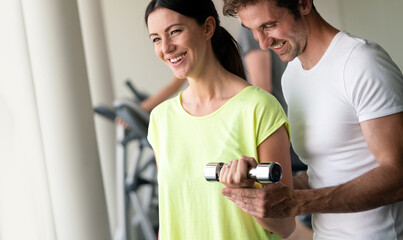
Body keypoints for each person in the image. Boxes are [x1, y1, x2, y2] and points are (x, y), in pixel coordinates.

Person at [220, 0, 403, 239]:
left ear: (304, 3)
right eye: (252, 31)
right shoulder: (292, 76)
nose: (263, 43)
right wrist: (269, 187)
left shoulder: (362, 62)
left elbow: (398, 175)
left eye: (270, 25)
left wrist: (298, 203)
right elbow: (325, 172)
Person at [145, 0, 295, 239]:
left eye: (174, 32)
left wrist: (246, 192)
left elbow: (286, 225)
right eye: (155, 39)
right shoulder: (161, 120)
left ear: (207, 28)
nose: (166, 47)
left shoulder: (258, 108)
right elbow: (170, 217)